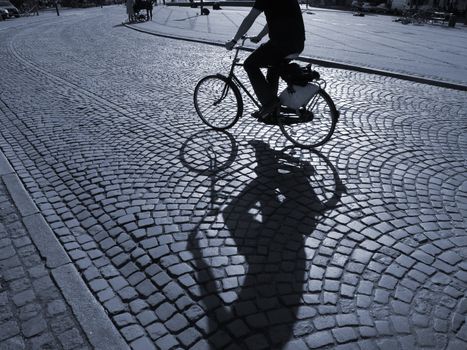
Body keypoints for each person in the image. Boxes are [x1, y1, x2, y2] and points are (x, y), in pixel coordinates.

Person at [225, 0, 305, 120]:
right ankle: (271, 112)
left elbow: (250, 18)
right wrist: (259, 36)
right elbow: (275, 20)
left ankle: (269, 103)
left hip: (281, 43)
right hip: (298, 44)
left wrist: (234, 40)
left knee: (250, 64)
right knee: (273, 69)